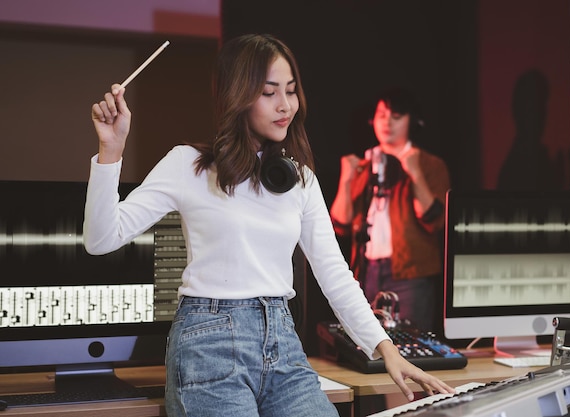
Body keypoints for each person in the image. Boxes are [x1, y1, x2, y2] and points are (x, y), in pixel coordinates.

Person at [85, 34, 454, 417]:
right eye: (269, 92)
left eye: (291, 91)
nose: (285, 105)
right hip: (208, 344)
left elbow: (334, 274)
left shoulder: (300, 179)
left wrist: (386, 350)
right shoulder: (188, 164)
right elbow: (101, 238)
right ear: (239, 96)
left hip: (283, 341)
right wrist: (111, 151)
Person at [330, 87, 450, 332]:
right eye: (382, 115)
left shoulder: (429, 164)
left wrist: (414, 172)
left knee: (410, 343)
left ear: (412, 121)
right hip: (365, 271)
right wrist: (346, 179)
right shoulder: (364, 165)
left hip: (410, 274)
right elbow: (340, 224)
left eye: (396, 117)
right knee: (364, 346)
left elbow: (434, 220)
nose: (387, 123)